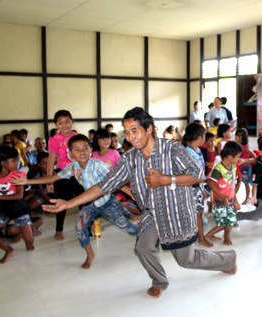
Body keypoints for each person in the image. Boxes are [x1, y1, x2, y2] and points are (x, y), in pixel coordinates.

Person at [42, 107, 237, 298]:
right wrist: (68, 204)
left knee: (187, 260)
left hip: (177, 213)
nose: (130, 137)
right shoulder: (130, 158)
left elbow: (197, 175)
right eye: (126, 132)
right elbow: (104, 185)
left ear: (149, 129)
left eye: (134, 130)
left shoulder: (172, 149)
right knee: (142, 248)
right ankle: (159, 280)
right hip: (151, 213)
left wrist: (167, 179)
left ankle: (228, 260)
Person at [12, 134, 139, 269]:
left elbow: (116, 182)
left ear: (90, 149)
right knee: (80, 229)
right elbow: (53, 177)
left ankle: (145, 234)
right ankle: (90, 254)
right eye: (77, 150)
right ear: (71, 154)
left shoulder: (99, 165)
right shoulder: (72, 167)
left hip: (107, 202)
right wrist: (27, 181)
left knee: (125, 226)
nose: (82, 152)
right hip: (89, 205)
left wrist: (133, 195)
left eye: (85, 148)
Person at [0, 146, 34, 264]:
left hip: (18, 206)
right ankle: (8, 249)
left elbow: (19, 196)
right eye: (14, 160)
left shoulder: (17, 174)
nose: (18, 162)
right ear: (3, 163)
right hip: (2, 207)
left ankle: (24, 230)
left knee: (30, 244)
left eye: (18, 159)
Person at [47, 110, 79, 240]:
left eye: (67, 122)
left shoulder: (78, 136)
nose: (64, 125)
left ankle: (88, 226)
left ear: (72, 122)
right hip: (62, 175)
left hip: (79, 173)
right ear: (56, 125)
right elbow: (51, 160)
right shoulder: (54, 140)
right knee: (62, 202)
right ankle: (59, 229)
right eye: (60, 123)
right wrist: (49, 181)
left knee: (84, 201)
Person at [205, 141, 242, 245]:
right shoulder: (218, 169)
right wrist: (223, 197)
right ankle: (208, 235)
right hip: (219, 201)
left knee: (231, 219)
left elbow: (232, 185)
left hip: (229, 199)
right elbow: (211, 184)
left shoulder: (233, 167)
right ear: (230, 157)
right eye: (238, 157)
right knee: (223, 222)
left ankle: (227, 237)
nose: (239, 159)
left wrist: (236, 200)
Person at [182, 122, 212, 248]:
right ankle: (198, 238)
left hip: (198, 187)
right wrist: (205, 178)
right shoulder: (188, 153)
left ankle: (200, 237)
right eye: (204, 136)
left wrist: (203, 188)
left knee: (199, 213)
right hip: (191, 189)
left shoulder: (198, 150)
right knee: (195, 214)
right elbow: (191, 176)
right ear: (199, 137)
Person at [234, 128, 257, 205]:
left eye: (238, 136)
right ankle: (234, 198)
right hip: (237, 168)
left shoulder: (245, 147)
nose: (236, 138)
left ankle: (247, 199)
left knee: (246, 184)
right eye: (236, 136)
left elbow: (254, 156)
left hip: (245, 168)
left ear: (242, 137)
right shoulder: (236, 146)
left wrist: (245, 161)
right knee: (237, 183)